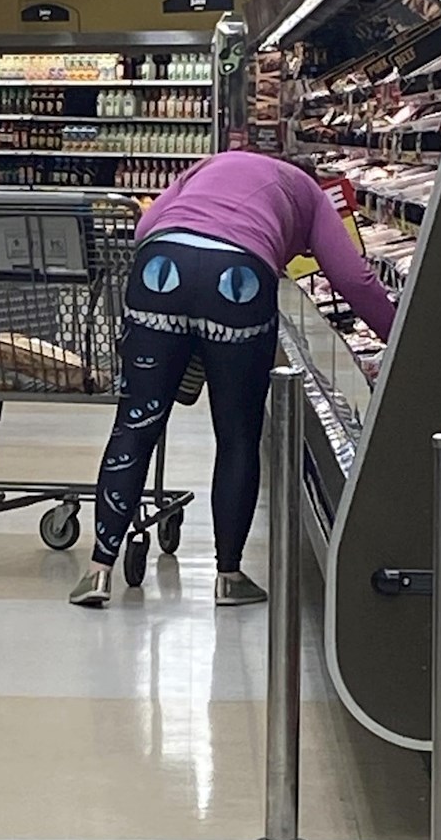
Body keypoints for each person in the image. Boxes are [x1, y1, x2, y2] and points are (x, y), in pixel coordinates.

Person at [70, 150, 396, 608]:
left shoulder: (211, 164)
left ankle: (98, 571)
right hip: (238, 276)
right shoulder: (309, 192)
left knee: (134, 426)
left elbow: (145, 229)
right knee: (238, 435)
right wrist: (398, 340)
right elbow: (354, 279)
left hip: (160, 266)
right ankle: (228, 576)